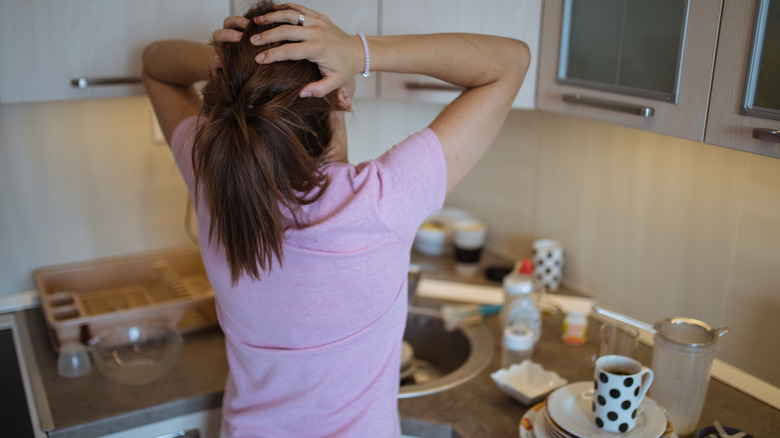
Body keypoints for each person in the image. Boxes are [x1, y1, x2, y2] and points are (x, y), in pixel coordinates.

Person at [142, 1, 530, 436]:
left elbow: (154, 62)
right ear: (341, 94)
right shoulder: (382, 201)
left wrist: (236, 68)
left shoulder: (216, 187)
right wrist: (359, 52)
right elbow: (510, 61)